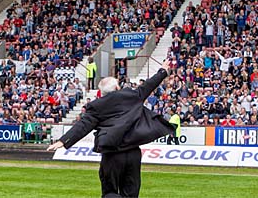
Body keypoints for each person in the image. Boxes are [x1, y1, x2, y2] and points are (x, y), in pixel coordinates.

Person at [47, 60, 175, 198]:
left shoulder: (96, 106)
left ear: (102, 92)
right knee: (131, 194)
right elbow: (149, 85)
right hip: (133, 153)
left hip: (112, 155)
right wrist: (163, 71)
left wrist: (63, 141)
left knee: (109, 193)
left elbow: (82, 126)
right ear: (116, 88)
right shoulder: (131, 95)